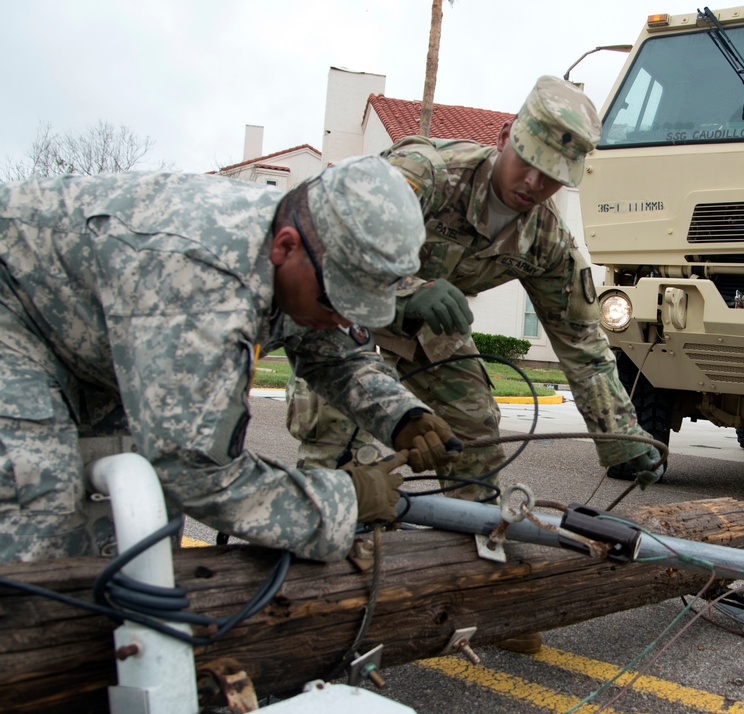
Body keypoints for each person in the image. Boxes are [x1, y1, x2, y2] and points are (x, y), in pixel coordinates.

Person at [0, 155, 461, 563]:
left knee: (134, 528)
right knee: (38, 503)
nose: (342, 318)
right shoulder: (201, 280)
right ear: (285, 246)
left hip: (95, 332)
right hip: (14, 311)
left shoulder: (307, 252)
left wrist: (403, 416)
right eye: (335, 301)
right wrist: (346, 500)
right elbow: (196, 472)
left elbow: (336, 355)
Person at [286, 76, 666, 507]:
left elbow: (583, 346)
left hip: (427, 332)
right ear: (505, 137)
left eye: (552, 177)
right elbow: (329, 247)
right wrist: (405, 290)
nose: (533, 184)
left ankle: (464, 547)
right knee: (337, 436)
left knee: (475, 439)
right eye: (528, 161)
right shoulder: (426, 173)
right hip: (344, 312)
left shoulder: (547, 240)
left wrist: (624, 436)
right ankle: (317, 532)